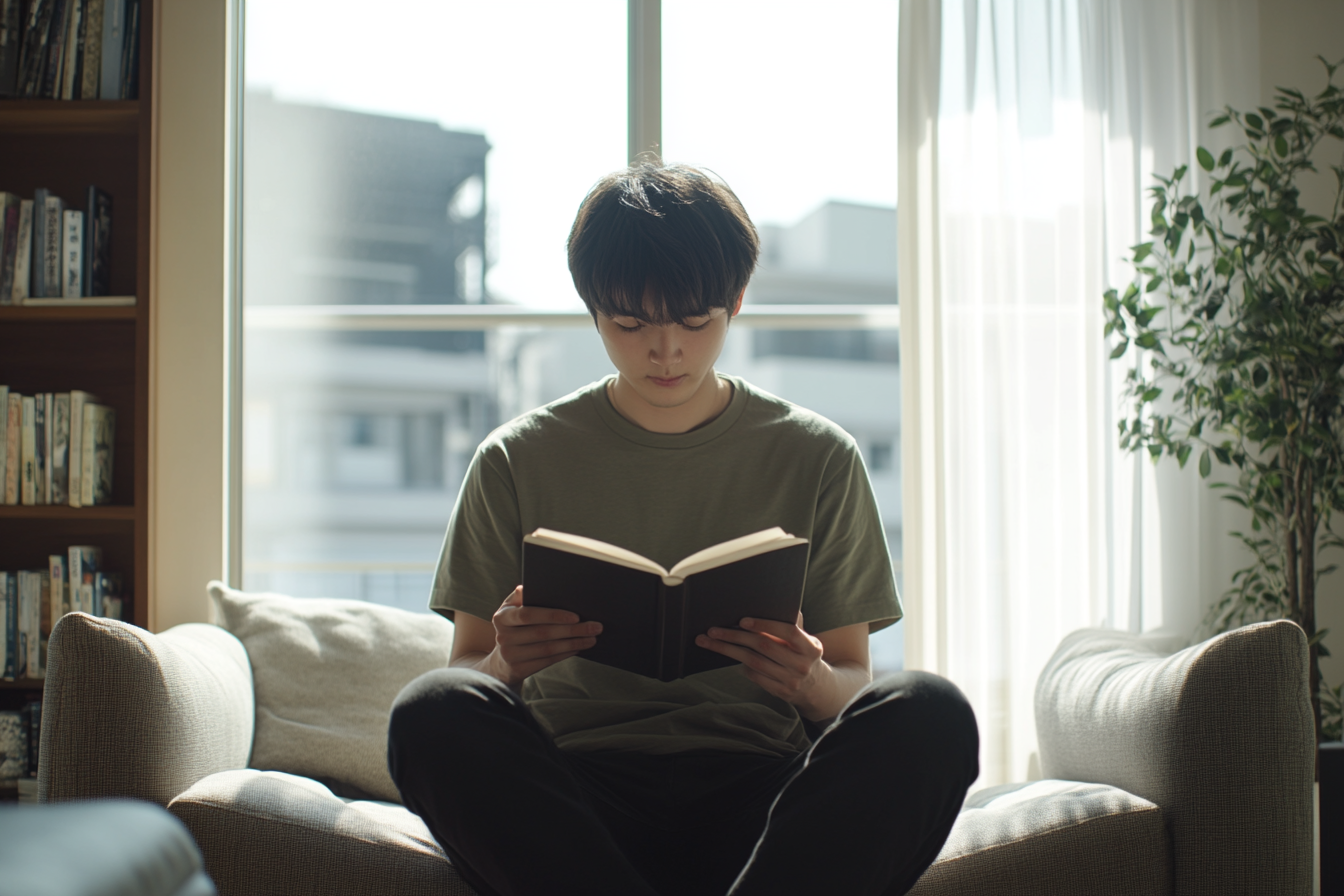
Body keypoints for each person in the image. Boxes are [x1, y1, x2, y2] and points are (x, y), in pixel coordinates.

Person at [387, 161, 979, 896]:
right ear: (592, 308)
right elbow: (467, 674)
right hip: (574, 807)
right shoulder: (515, 459)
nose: (665, 351)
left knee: (932, 714)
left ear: (734, 301)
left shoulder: (819, 457)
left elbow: (854, 680)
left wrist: (811, 679)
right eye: (630, 324)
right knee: (430, 710)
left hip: (765, 802)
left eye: (694, 322)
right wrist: (506, 663)